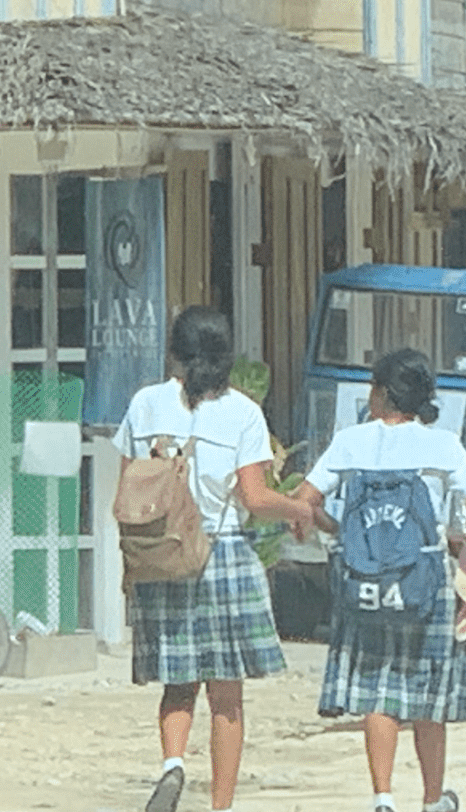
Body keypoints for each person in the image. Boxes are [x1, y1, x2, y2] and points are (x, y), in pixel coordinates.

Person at [113, 307, 315, 812]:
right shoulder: (241, 412)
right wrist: (299, 509)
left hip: (162, 554)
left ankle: (172, 763)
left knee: (178, 682)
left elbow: (129, 486)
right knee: (226, 697)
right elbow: (254, 497)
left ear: (174, 351)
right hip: (221, 553)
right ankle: (220, 806)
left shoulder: (145, 404)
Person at [294, 349, 466, 812]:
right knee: (427, 695)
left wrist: (338, 531)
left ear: (381, 392)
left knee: (376, 691)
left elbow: (305, 499)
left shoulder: (351, 441)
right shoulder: (442, 445)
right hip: (425, 579)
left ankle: (383, 796)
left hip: (365, 581)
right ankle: (432, 798)